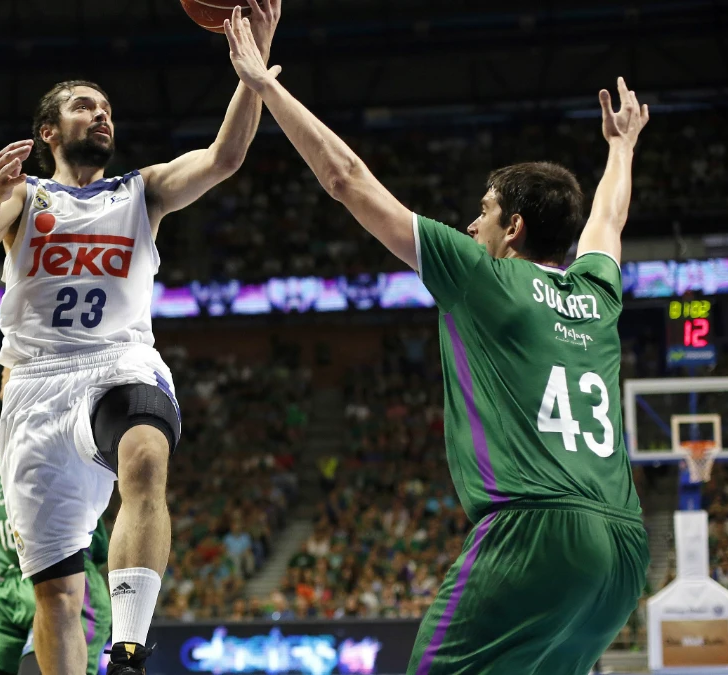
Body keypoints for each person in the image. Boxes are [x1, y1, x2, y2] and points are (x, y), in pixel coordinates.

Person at [223, 16, 650, 675]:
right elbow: (608, 219)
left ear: (512, 227)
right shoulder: (596, 291)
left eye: (483, 210)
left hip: (537, 532)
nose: (470, 221)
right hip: (624, 549)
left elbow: (346, 179)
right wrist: (620, 150)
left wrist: (263, 87)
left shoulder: (483, 274)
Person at [0, 2, 281, 672]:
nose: (100, 113)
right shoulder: (26, 199)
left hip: (117, 361)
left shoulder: (143, 192)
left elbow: (226, 157)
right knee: (57, 595)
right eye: (84, 105)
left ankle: (129, 645)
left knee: (143, 453)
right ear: (48, 129)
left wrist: (252, 76)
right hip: (35, 389)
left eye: (106, 107)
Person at [0, 369, 111, 675]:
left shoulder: (58, 429)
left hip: (62, 576)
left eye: (10, 366)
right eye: (2, 370)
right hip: (9, 591)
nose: (3, 371)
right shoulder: (7, 450)